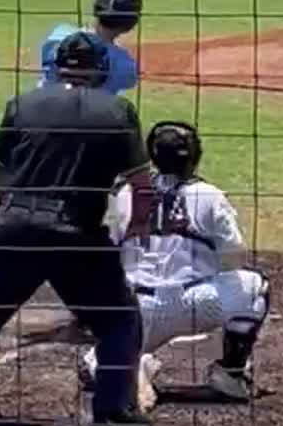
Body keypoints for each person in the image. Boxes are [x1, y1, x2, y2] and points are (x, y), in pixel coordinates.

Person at [0, 31, 154, 426]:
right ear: (99, 70)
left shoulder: (22, 104)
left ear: (55, 66)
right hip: (76, 234)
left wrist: (15, 212)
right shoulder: (118, 112)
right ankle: (113, 412)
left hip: (14, 228)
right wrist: (136, 225)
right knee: (118, 320)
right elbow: (141, 183)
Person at [81, 120, 269, 408]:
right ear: (194, 155)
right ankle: (230, 377)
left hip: (137, 311)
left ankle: (127, 367)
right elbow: (235, 254)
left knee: (97, 362)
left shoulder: (126, 193)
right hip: (200, 304)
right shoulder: (209, 195)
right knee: (257, 287)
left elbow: (111, 248)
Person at [38, 0, 141, 94]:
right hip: (91, 111)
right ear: (130, 25)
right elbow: (128, 80)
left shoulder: (57, 36)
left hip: (43, 108)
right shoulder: (124, 65)